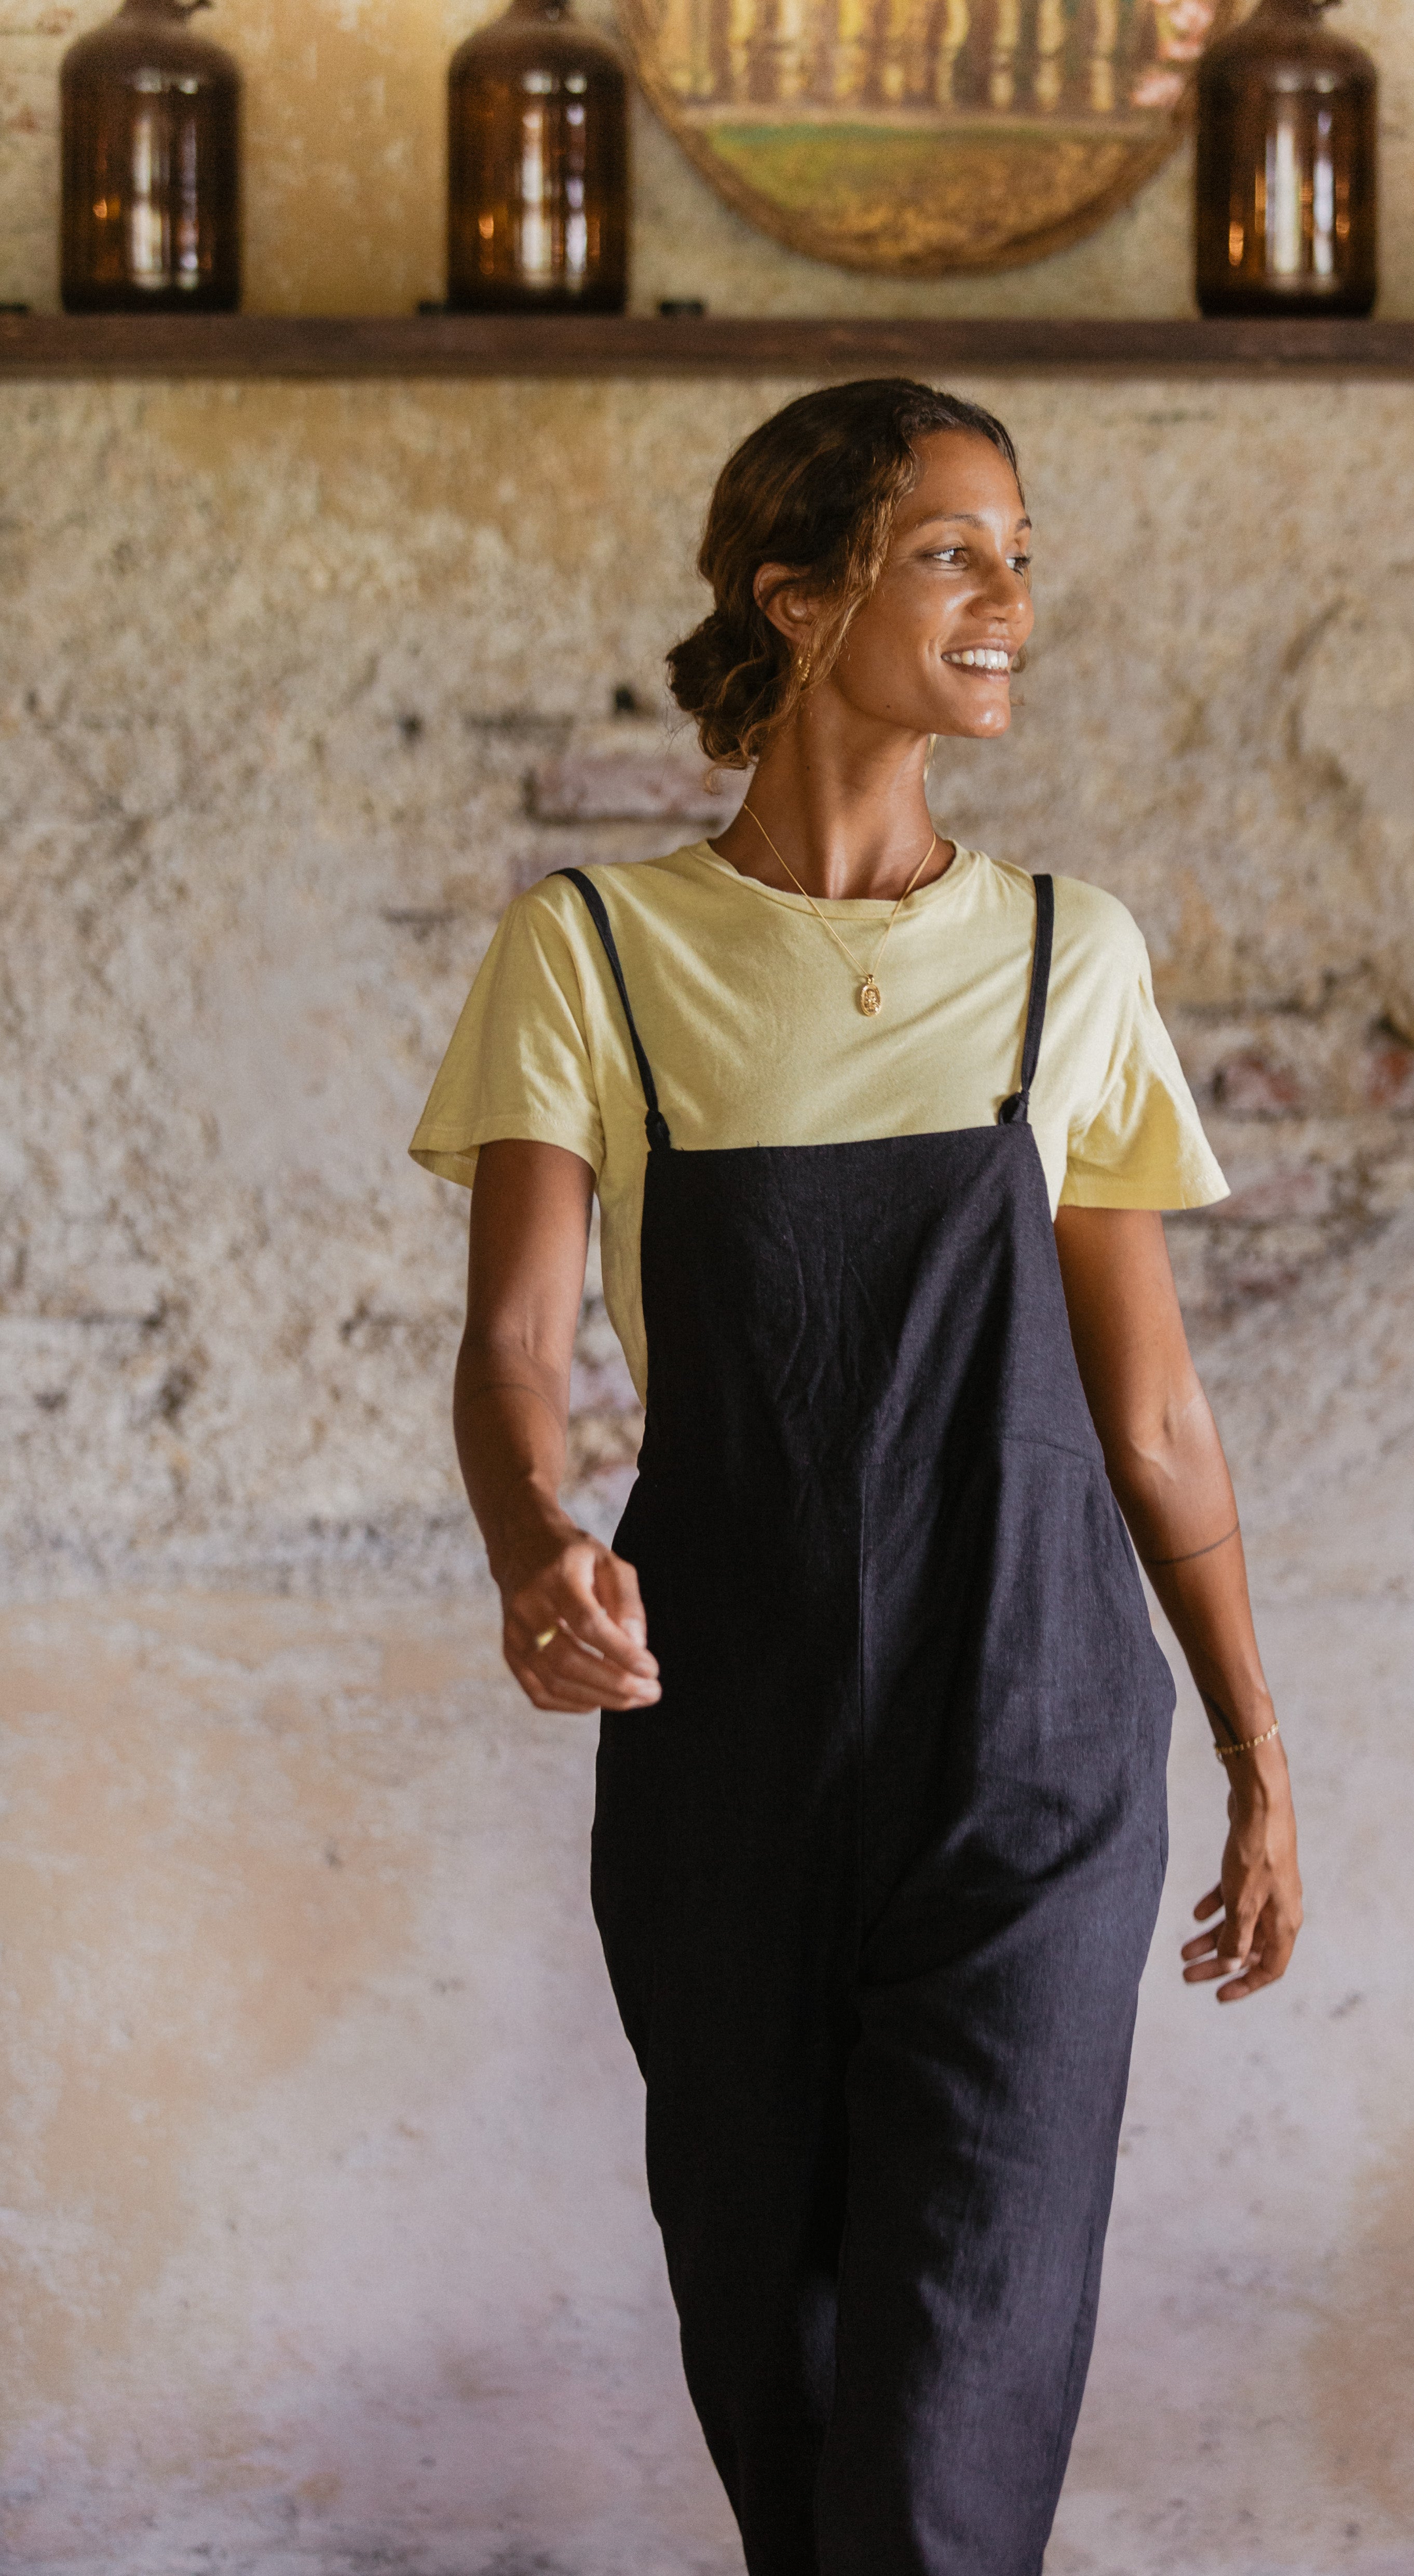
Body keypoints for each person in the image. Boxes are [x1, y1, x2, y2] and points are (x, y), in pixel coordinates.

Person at [411, 377, 1303, 2576]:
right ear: (798, 602)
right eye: (948, 552)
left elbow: (1154, 1413)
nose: (1010, 597)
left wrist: (1257, 1749)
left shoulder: (1059, 958)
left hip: (1030, 1752)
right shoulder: (591, 957)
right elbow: (516, 1345)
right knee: (780, 2376)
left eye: (1019, 550)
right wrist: (540, 1552)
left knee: (946, 2406)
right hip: (725, 1754)